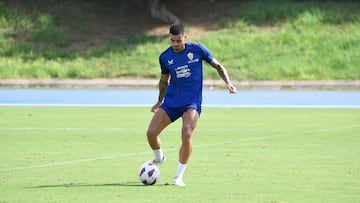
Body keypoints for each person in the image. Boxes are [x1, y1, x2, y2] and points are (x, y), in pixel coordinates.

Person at [146, 23, 237, 187]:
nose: (175, 44)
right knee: (151, 133)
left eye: (178, 41)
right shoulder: (165, 57)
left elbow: (217, 66)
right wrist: (160, 101)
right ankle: (159, 158)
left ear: (185, 38)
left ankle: (178, 177)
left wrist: (228, 83)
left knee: (187, 133)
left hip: (191, 102)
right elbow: (163, 81)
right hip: (172, 101)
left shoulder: (197, 50)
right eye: (172, 41)